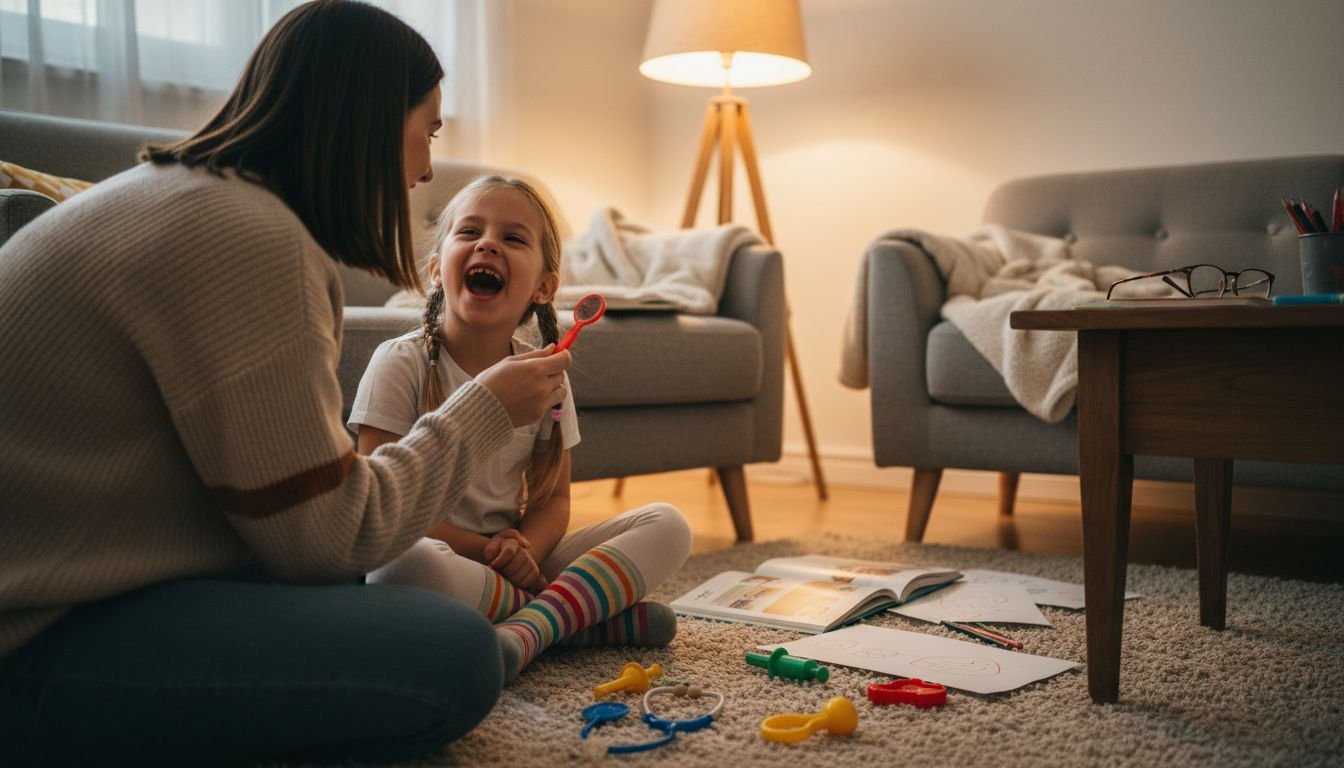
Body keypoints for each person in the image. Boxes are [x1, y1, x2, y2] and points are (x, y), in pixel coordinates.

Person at [0, 1, 571, 764]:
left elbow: (279, 515)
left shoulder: (174, 197)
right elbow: (330, 542)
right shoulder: (249, 237)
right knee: (454, 655)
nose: (426, 168)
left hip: (65, 590)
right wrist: (483, 410)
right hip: (32, 640)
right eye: (427, 130)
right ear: (368, 117)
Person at [349, 175, 692, 682]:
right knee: (397, 566)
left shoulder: (546, 378)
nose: (487, 242)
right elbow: (382, 510)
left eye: (513, 238)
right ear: (435, 270)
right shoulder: (398, 363)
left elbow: (553, 500)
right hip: (448, 555)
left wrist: (527, 550)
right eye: (468, 232)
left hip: (518, 560)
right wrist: (494, 554)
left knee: (669, 524)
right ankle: (567, 621)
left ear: (544, 288)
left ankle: (526, 624)